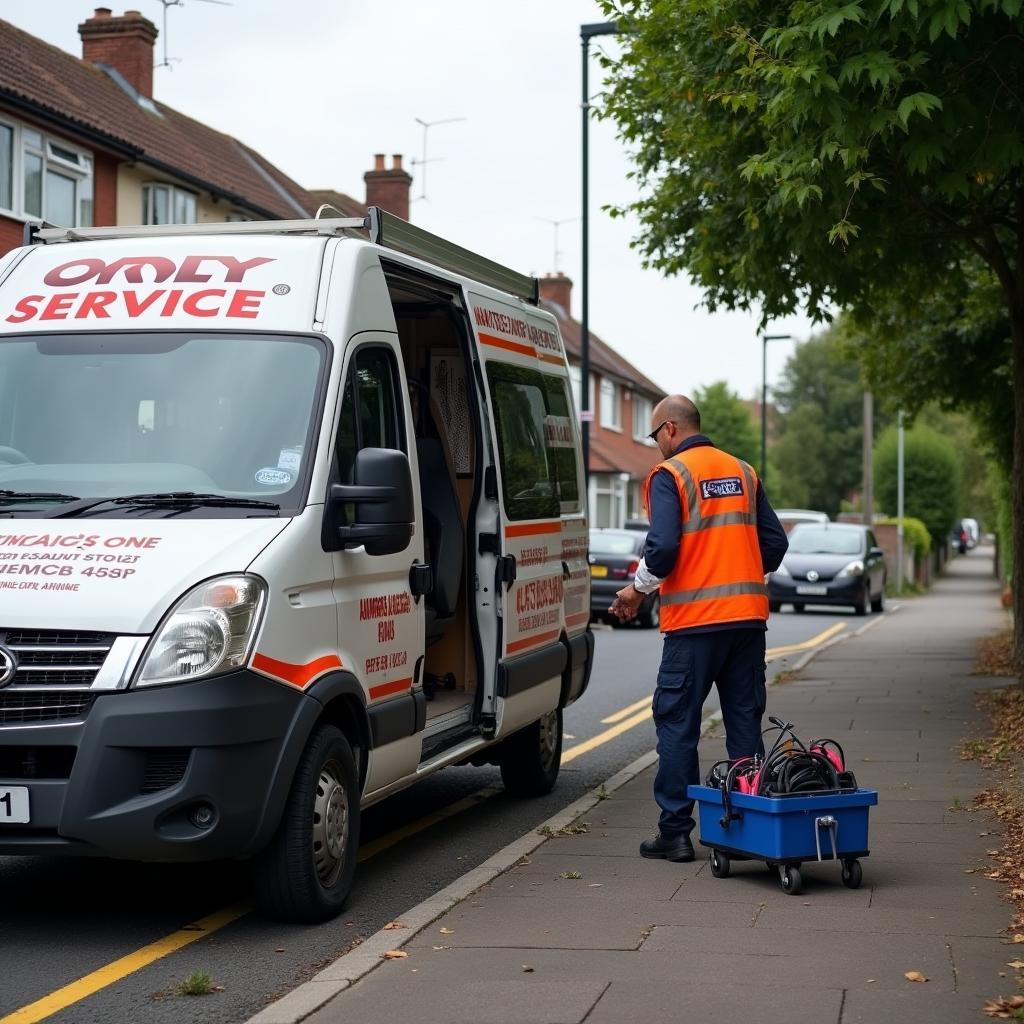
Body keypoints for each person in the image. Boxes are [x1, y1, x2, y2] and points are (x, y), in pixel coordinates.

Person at [609, 394, 789, 862]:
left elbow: (663, 547)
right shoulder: (744, 472)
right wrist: (742, 569)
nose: (655, 447)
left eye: (654, 437)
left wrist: (637, 591)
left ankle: (675, 833)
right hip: (747, 622)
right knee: (744, 723)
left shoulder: (671, 476)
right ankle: (747, 830)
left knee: (677, 724)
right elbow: (774, 542)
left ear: (670, 429)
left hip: (694, 625)